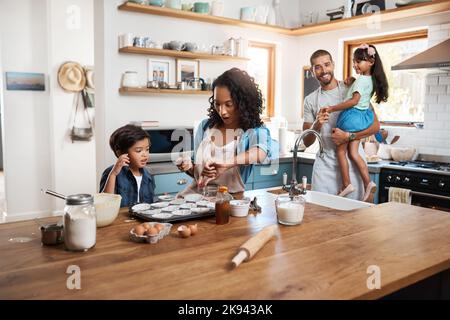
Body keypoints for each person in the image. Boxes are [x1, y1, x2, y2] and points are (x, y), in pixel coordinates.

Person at [176, 68, 277, 197]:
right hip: (195, 198)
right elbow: (198, 174)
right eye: (217, 104)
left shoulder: (255, 130)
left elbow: (259, 153)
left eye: (228, 104)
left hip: (229, 200)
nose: (222, 111)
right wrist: (188, 166)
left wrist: (225, 163)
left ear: (243, 103)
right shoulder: (205, 126)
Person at [303, 49, 380, 201]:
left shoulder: (352, 88)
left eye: (327, 64)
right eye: (317, 67)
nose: (323, 70)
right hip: (325, 169)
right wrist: (317, 124)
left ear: (333, 65)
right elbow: (306, 141)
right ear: (312, 71)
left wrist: (349, 136)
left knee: (355, 218)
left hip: (353, 166)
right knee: (322, 214)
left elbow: (375, 127)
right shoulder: (310, 100)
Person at [323, 44, 388, 200]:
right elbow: (361, 96)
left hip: (351, 117)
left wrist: (332, 108)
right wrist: (352, 82)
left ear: (371, 62)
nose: (355, 65)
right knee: (353, 153)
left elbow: (354, 101)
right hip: (362, 118)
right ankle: (368, 183)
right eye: (354, 61)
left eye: (359, 61)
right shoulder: (369, 80)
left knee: (340, 151)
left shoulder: (360, 81)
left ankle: (346, 184)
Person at [100, 124, 155, 207]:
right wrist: (113, 174)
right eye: (139, 151)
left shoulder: (148, 176)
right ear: (120, 152)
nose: (145, 155)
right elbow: (104, 204)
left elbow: (150, 205)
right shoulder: (112, 173)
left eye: (147, 149)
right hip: (120, 219)